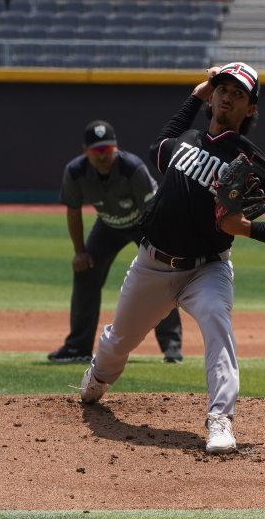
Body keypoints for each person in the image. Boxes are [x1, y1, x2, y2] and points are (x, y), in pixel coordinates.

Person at [77, 63, 265, 454]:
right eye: (221, 90)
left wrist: (247, 229)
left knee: (217, 322)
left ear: (250, 109)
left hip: (207, 268)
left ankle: (220, 420)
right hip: (152, 264)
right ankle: (98, 376)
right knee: (118, 341)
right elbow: (158, 146)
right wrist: (195, 94)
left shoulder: (250, 160)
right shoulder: (187, 140)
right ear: (212, 97)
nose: (227, 97)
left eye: (238, 94)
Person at [48, 120, 184, 364]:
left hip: (145, 225)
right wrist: (80, 252)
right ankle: (78, 347)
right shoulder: (75, 172)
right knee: (85, 270)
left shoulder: (132, 168)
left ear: (116, 148)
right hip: (108, 226)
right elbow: (73, 211)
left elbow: (152, 213)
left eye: (107, 150)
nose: (102, 155)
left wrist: (159, 252)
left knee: (161, 276)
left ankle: (171, 347)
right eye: (97, 150)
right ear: (85, 151)